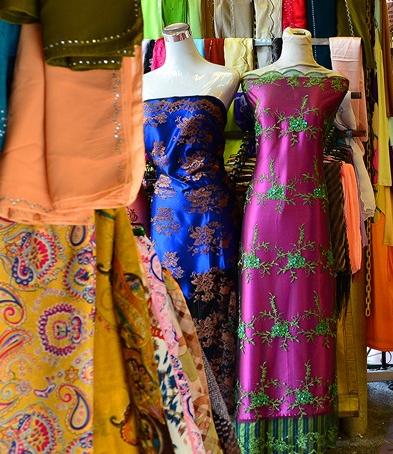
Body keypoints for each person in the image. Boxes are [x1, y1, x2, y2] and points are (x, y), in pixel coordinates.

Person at [235, 28, 349, 453]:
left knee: (308, 315)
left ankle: (307, 433)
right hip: (263, 216)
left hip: (309, 215)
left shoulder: (334, 83)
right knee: (261, 320)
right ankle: (259, 430)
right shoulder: (251, 81)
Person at [143, 22, 241, 416]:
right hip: (166, 213)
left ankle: (221, 410)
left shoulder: (225, 76)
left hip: (212, 212)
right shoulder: (142, 83)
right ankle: (183, 411)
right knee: (171, 299)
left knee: (216, 299)